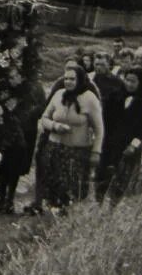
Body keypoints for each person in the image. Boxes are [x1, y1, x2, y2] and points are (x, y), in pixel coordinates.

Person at [40, 66, 103, 208]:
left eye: (72, 79)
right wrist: (55, 126)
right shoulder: (58, 95)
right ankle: (52, 219)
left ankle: (69, 220)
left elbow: (99, 129)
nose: (68, 82)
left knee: (73, 193)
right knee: (54, 189)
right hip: (55, 150)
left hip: (77, 153)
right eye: (66, 78)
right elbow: (44, 118)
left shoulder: (89, 98)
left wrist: (96, 152)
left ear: (80, 80)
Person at [0, 68, 46, 214]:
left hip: (26, 131)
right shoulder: (4, 86)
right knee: (2, 164)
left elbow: (42, 106)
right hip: (5, 130)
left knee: (16, 166)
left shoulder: (35, 86)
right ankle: (1, 197)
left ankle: (10, 198)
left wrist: (29, 115)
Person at [106, 66, 142, 203]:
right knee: (106, 175)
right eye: (127, 80)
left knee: (123, 178)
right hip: (111, 142)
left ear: (140, 82)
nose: (129, 84)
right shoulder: (115, 95)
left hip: (129, 145)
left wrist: (133, 145)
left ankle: (116, 204)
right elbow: (106, 119)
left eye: (133, 81)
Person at [91, 51, 126, 201]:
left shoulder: (117, 83)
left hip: (109, 126)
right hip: (91, 124)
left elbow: (120, 108)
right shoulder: (90, 80)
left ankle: (100, 193)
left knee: (103, 161)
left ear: (109, 65)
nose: (99, 67)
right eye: (96, 64)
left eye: (102, 65)